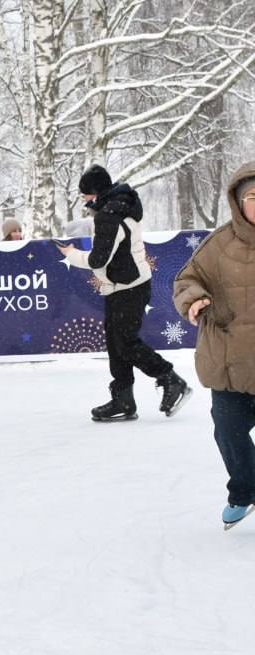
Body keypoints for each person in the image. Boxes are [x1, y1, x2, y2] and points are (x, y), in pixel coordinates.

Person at [57, 164, 191, 422]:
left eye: (85, 195)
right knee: (116, 344)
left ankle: (170, 379)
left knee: (125, 343)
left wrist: (70, 254)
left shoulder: (109, 215)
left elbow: (98, 259)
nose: (84, 200)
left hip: (128, 287)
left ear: (96, 192)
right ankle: (123, 399)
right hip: (122, 286)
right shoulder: (119, 207)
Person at [172, 163, 255, 528]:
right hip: (229, 361)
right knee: (228, 430)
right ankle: (244, 491)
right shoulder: (218, 245)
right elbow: (186, 280)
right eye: (253, 196)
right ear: (238, 201)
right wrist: (194, 299)